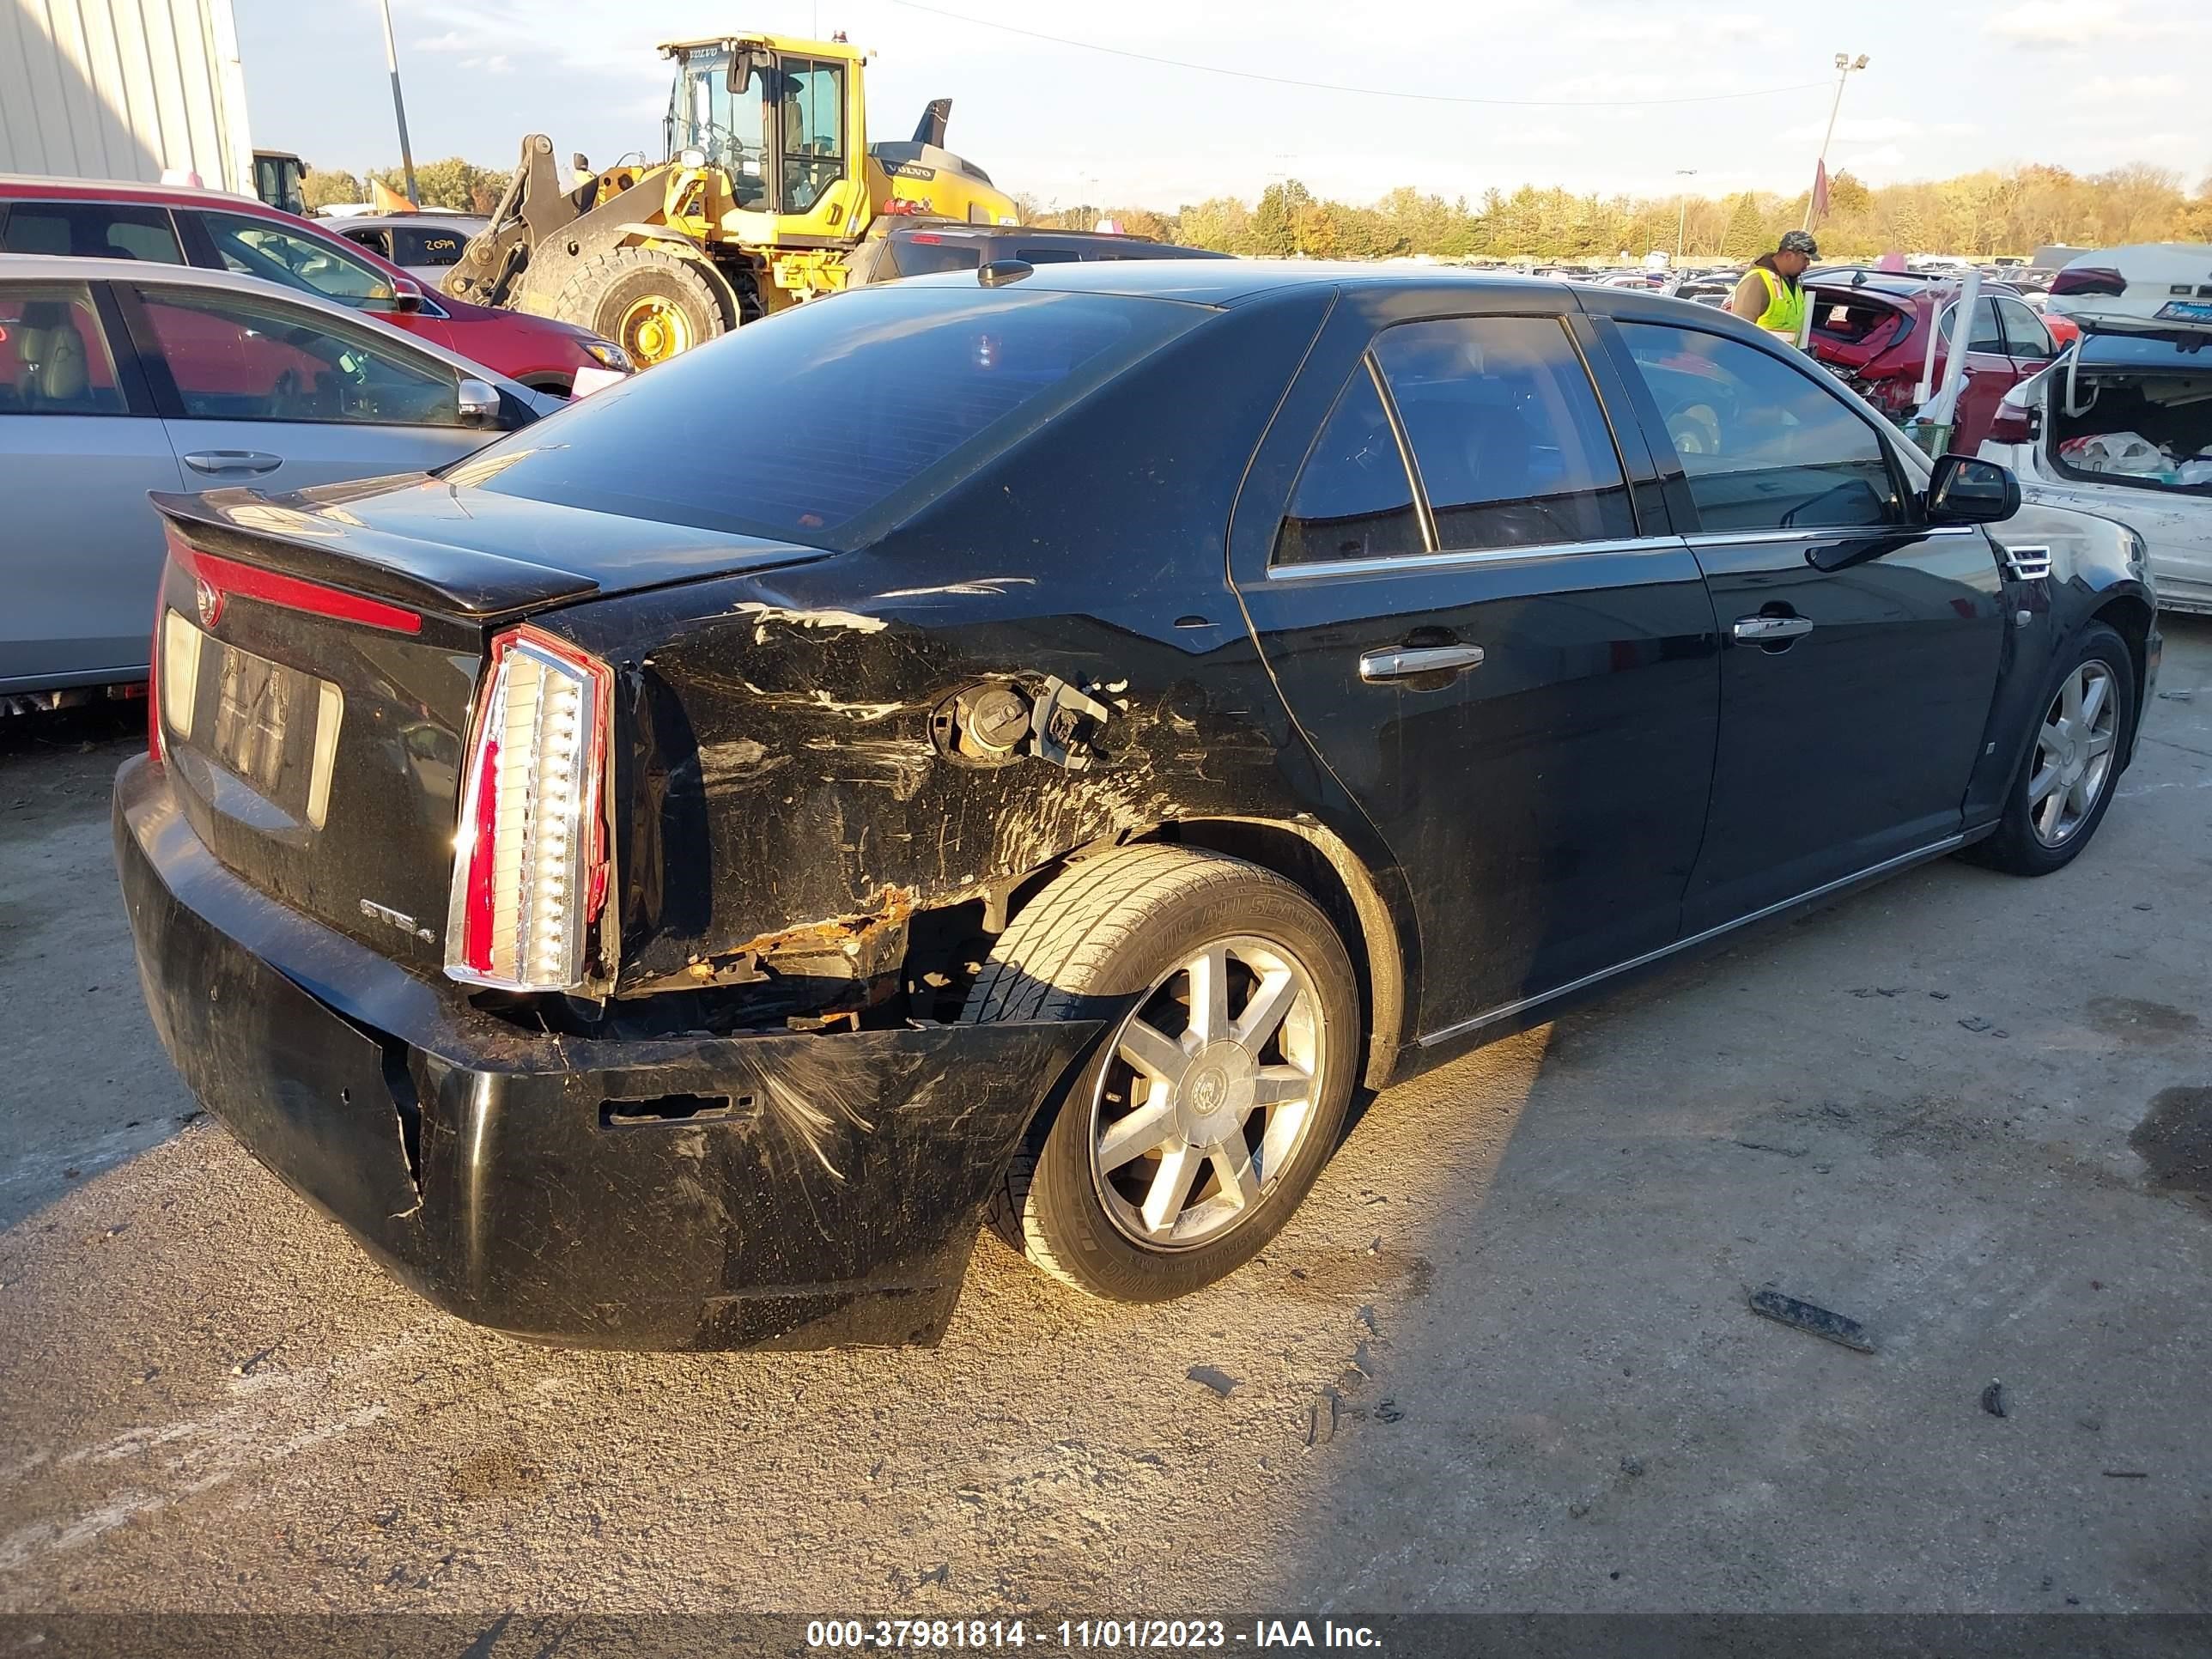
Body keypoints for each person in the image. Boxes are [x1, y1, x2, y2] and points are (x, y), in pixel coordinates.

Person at [1729, 229, 1820, 345]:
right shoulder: (1758, 281)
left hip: (1781, 361)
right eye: (1805, 259)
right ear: (1789, 256)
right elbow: (1739, 333)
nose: (1808, 264)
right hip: (1759, 361)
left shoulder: (1792, 284)